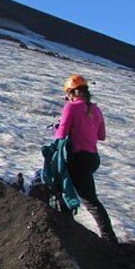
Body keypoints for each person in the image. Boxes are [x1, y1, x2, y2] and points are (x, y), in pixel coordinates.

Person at [54, 74, 118, 243]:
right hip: (92, 157)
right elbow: (101, 136)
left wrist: (58, 127)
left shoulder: (71, 107)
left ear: (70, 92)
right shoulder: (95, 109)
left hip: (78, 157)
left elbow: (61, 134)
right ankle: (69, 227)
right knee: (68, 190)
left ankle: (108, 238)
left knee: (87, 198)